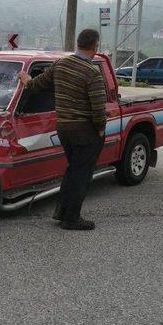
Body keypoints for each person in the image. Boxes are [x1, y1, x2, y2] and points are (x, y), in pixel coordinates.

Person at [18, 29, 106, 230]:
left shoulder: (60, 64)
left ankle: (62, 213)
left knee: (72, 170)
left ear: (78, 43)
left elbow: (36, 85)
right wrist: (100, 129)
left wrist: (25, 78)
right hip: (85, 132)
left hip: (64, 129)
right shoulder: (92, 73)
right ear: (95, 47)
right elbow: (99, 109)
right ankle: (72, 219)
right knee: (81, 175)